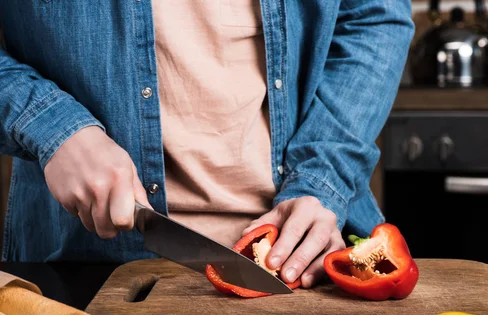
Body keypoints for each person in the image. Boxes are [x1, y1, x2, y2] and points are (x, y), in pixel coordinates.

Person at [0, 1, 414, 288]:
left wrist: (322, 180)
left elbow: (373, 17)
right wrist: (53, 125)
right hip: (81, 265)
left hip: (309, 258)